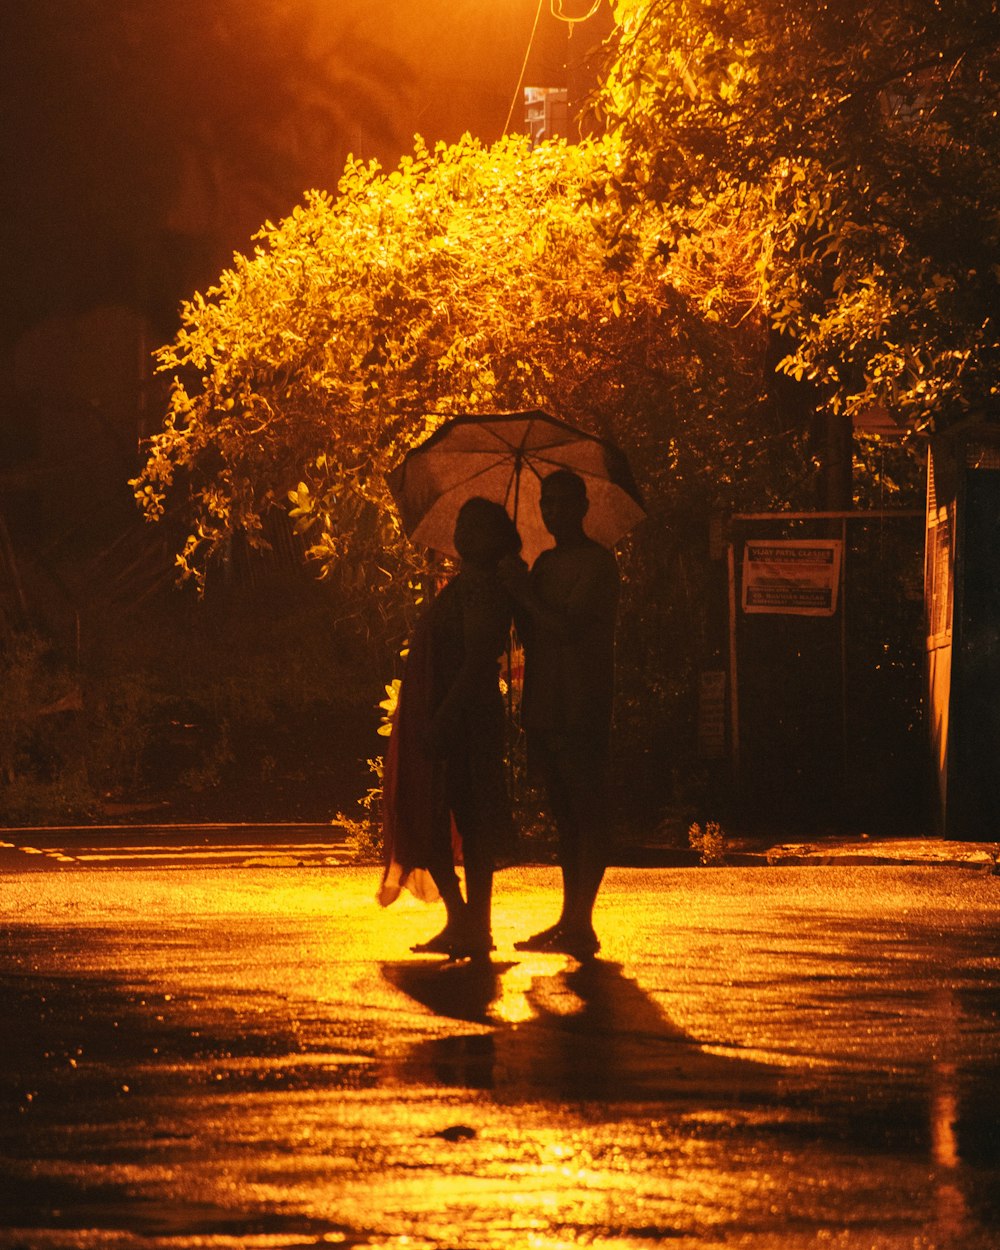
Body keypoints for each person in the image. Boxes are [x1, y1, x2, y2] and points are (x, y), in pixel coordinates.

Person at [378, 497, 522, 960]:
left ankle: (473, 922)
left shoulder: (487, 589)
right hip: (443, 709)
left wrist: (444, 717)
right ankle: (462, 918)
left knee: (470, 816)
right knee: (433, 810)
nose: (462, 534)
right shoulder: (466, 584)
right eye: (461, 524)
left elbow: (478, 661)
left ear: (494, 536)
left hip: (465, 715)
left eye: (474, 527)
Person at [502, 469, 620, 959]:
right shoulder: (545, 563)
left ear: (583, 506)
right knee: (564, 817)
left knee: (586, 811)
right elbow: (533, 635)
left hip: (582, 701)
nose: (553, 511)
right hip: (546, 703)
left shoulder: (598, 563)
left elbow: (569, 628)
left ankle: (582, 921)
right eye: (546, 503)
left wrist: (525, 594)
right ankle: (569, 918)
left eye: (562, 501)